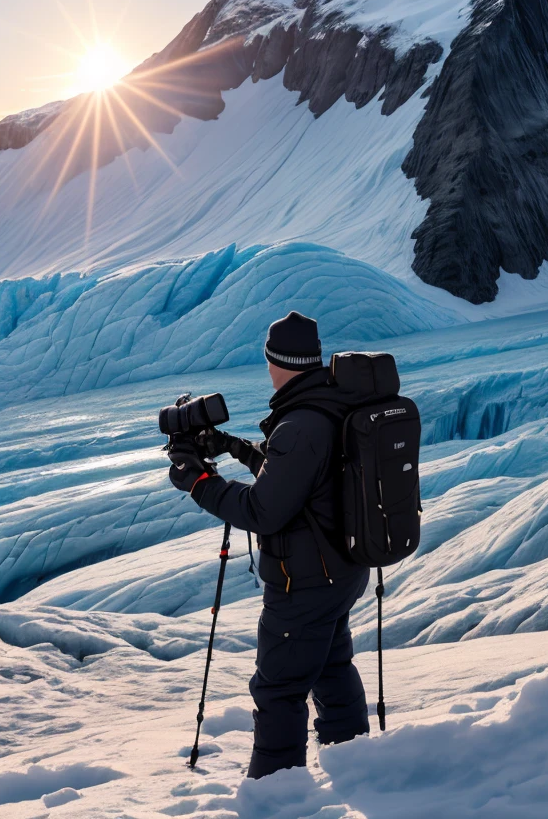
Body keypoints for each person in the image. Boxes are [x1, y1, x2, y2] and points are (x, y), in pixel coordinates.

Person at [167, 310, 370, 778]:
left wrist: (198, 481)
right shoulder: (328, 405)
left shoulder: (299, 425)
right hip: (340, 569)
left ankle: (276, 795)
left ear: (276, 361)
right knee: (331, 665)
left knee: (278, 688)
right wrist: (234, 447)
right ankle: (358, 764)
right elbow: (301, 480)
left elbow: (262, 511)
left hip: (305, 581)